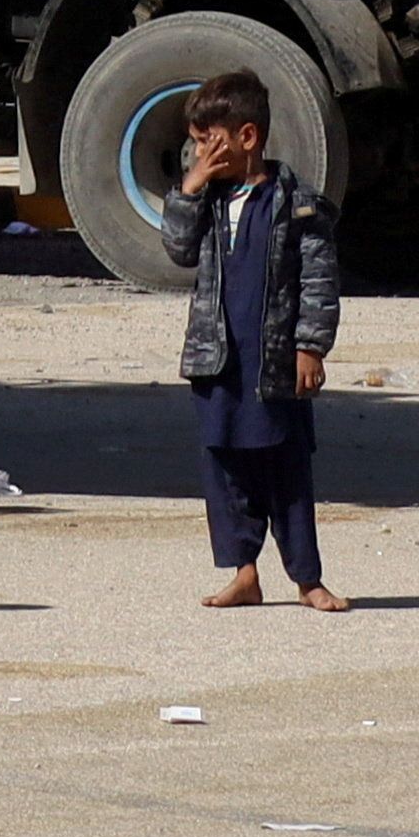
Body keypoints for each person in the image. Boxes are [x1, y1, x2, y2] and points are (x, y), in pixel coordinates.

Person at [167, 77, 346, 611]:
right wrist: (190, 186)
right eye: (196, 143)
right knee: (225, 467)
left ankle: (307, 579)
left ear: (247, 137)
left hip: (273, 362)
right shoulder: (208, 199)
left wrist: (310, 347)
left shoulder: (298, 205)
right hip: (218, 358)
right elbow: (178, 248)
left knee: (285, 466)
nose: (200, 153)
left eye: (209, 141)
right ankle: (244, 572)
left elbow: (319, 283)